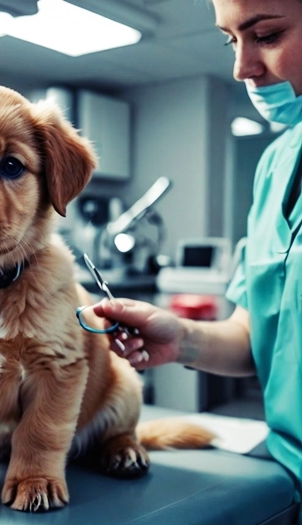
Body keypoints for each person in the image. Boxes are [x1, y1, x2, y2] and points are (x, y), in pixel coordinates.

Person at [92, 0, 302, 507]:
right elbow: (257, 338)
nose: (242, 67)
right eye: (231, 41)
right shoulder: (277, 164)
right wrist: (179, 339)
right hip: (285, 471)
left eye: (268, 36)